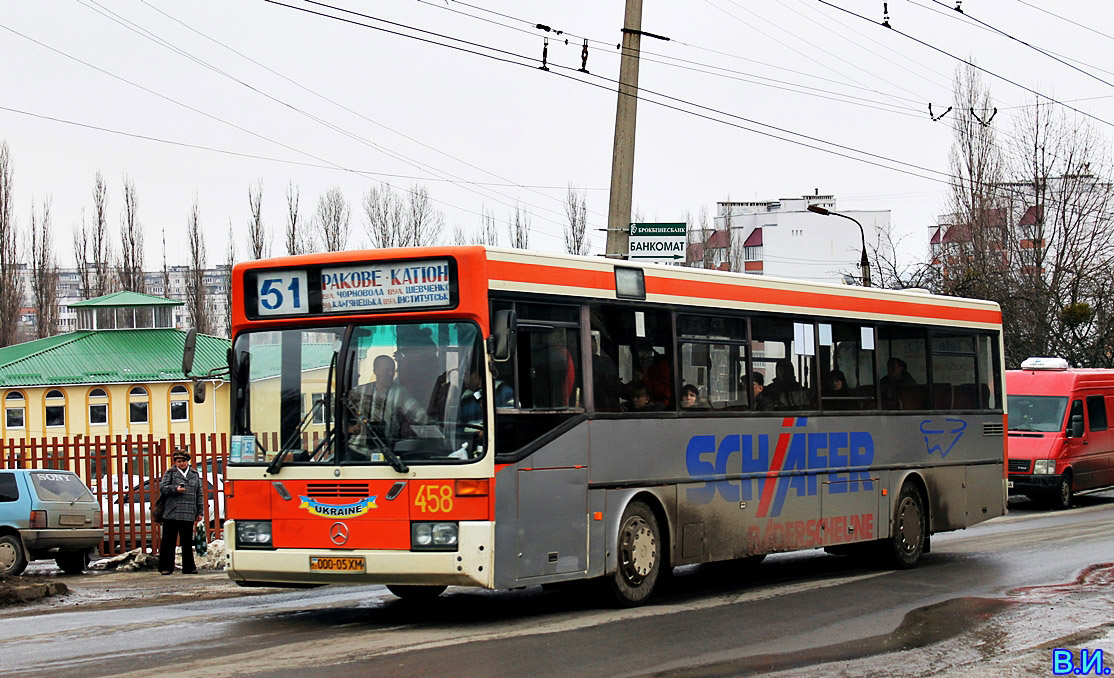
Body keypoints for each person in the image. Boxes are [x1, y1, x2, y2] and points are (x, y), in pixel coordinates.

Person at [347, 355, 429, 450]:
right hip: (358, 450)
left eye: (392, 370)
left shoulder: (400, 393)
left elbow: (419, 414)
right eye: (386, 370)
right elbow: (337, 406)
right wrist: (348, 427)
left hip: (388, 454)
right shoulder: (361, 392)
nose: (390, 374)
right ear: (375, 371)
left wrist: (435, 425)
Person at [158, 449, 204, 575]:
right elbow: (163, 487)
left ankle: (189, 567)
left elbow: (199, 493)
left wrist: (200, 511)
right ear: (175, 462)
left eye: (183, 461)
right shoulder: (170, 473)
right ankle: (166, 567)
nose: (181, 464)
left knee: (187, 542)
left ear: (187, 461)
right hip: (172, 512)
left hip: (189, 511)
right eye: (178, 461)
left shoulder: (194, 474)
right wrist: (175, 489)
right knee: (169, 541)